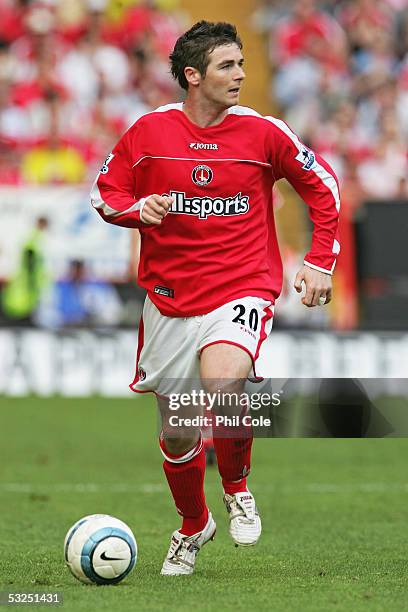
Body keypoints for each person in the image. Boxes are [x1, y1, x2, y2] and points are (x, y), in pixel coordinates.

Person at [91, 20, 340, 576]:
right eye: (228, 66)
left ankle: (237, 489)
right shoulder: (149, 133)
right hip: (170, 299)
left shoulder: (263, 132)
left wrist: (319, 260)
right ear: (192, 75)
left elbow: (322, 186)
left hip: (242, 285)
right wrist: (137, 211)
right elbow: (105, 191)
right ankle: (191, 526)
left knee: (224, 380)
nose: (241, 76)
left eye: (243, 64)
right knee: (177, 432)